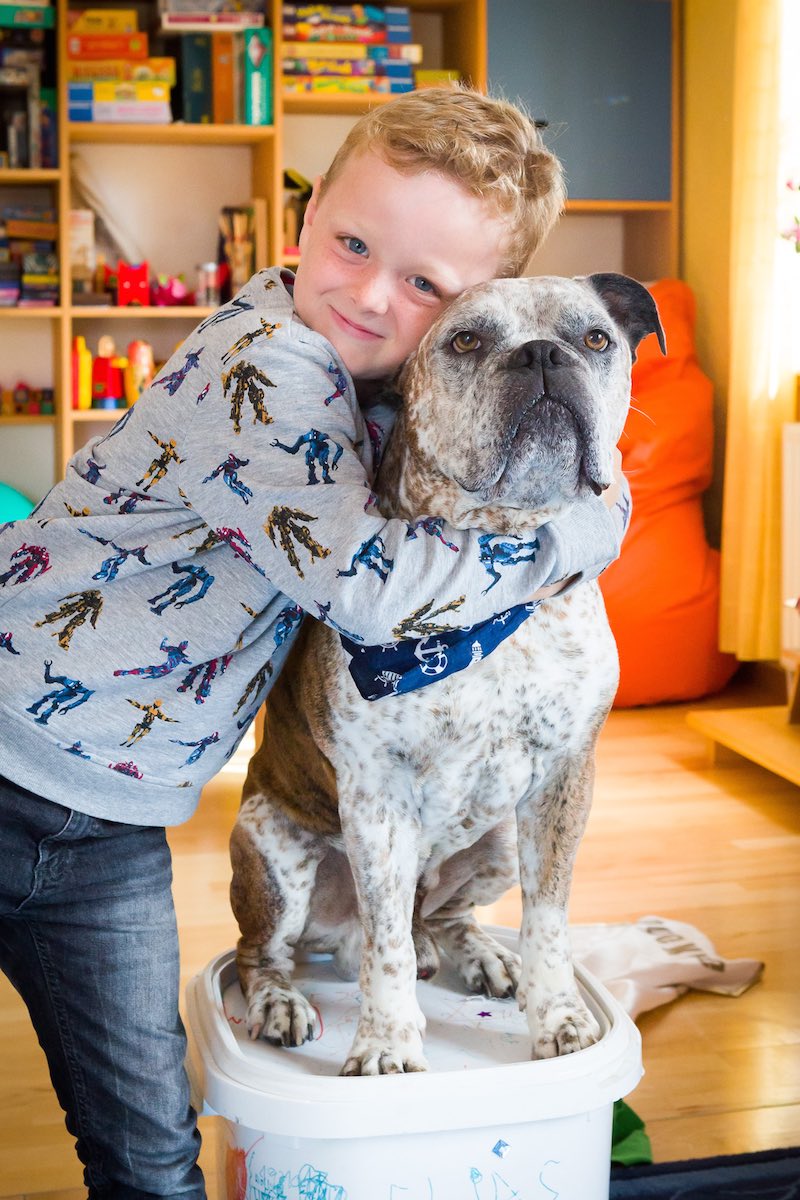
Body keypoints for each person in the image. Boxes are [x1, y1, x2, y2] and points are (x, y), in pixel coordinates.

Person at [0, 87, 629, 1198]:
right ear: (305, 215)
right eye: (351, 244)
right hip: (24, 759)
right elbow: (371, 590)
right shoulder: (267, 368)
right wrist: (579, 529)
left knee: (148, 1147)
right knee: (144, 1148)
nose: (372, 293)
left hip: (110, 808)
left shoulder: (369, 375)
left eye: (426, 286)